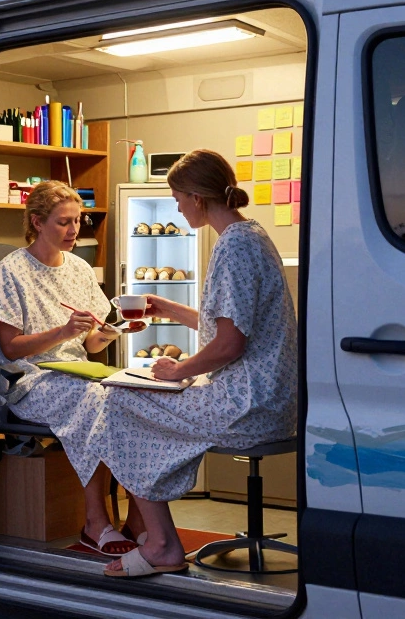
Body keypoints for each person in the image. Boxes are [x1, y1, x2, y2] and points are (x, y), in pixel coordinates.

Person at [92, 149, 298, 578]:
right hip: (272, 400)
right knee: (139, 400)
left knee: (117, 404)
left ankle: (163, 543)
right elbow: (233, 326)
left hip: (248, 406)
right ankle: (154, 530)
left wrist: (176, 371)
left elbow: (228, 346)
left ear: (197, 198)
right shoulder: (252, 235)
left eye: (178, 198)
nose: (177, 207)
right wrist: (170, 308)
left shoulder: (233, 247)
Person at [0, 180, 145, 557]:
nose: (74, 231)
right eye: (63, 222)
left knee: (132, 395)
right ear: (37, 222)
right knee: (94, 401)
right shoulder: (13, 271)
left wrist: (112, 332)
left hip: (76, 372)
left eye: (78, 221)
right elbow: (9, 347)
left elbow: (88, 345)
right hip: (29, 379)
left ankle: (137, 518)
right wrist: (61, 331)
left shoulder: (80, 269)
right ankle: (95, 522)